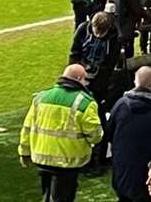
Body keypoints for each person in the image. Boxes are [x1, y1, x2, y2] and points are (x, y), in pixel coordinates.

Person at [19, 63, 102, 202]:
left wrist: (24, 152)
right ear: (79, 78)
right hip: (68, 163)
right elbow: (95, 134)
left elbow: (27, 128)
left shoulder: (40, 97)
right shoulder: (85, 102)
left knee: (47, 195)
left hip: (42, 159)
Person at [108, 66, 151, 202]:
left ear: (135, 82)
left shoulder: (121, 104)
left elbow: (108, 132)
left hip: (122, 170)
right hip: (147, 173)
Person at [68, 13, 117, 174]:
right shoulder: (83, 30)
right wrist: (76, 77)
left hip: (98, 86)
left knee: (98, 122)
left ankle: (98, 160)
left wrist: (99, 88)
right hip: (79, 80)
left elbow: (109, 66)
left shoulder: (113, 38)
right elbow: (74, 54)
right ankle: (79, 159)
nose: (98, 35)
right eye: (97, 31)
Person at [111, 0, 143, 68]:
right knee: (127, 56)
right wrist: (149, 13)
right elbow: (137, 9)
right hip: (126, 27)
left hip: (120, 24)